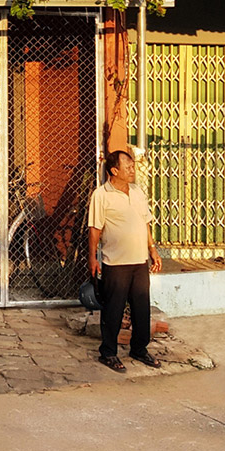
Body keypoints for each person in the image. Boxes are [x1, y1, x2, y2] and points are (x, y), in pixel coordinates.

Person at [87, 149, 163, 372]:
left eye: (133, 166)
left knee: (142, 309)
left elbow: (145, 222)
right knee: (114, 310)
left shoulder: (138, 192)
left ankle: (139, 349)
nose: (132, 170)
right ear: (114, 170)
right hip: (115, 263)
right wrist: (93, 258)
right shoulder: (101, 195)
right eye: (127, 167)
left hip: (139, 261)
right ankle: (108, 352)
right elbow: (94, 230)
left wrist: (153, 250)